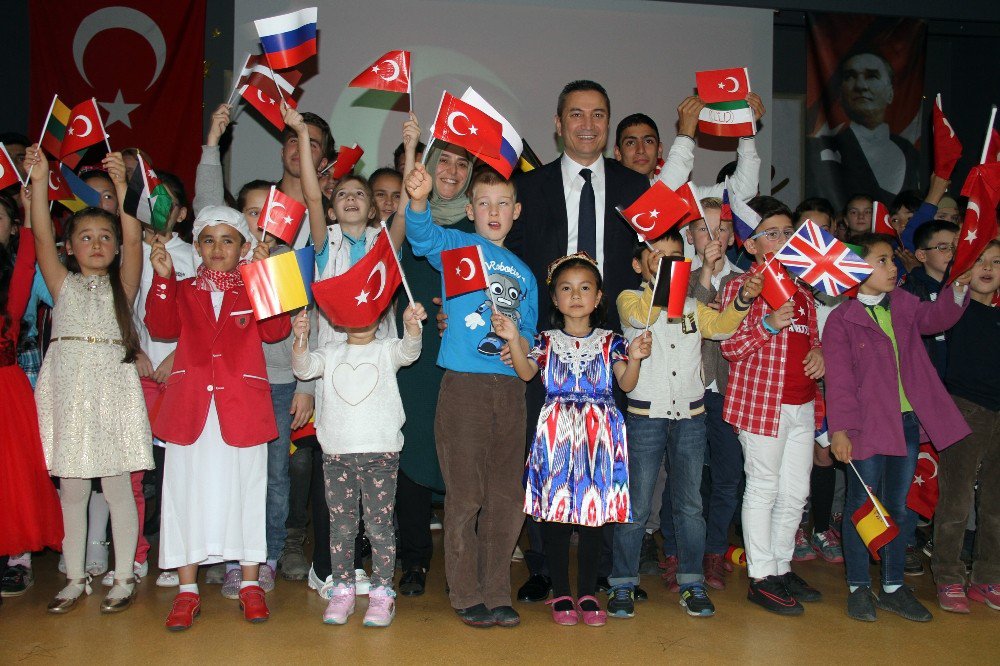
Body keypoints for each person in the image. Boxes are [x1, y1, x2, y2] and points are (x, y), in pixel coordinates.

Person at [508, 79, 648, 602]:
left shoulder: (636, 190)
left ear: (607, 124)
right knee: (543, 456)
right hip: (546, 347)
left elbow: (658, 260)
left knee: (607, 458)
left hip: (612, 346)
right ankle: (543, 568)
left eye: (597, 115)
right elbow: (508, 263)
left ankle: (604, 574)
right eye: (576, 114)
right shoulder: (530, 188)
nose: (587, 124)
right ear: (558, 122)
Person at [405, 163, 538, 628]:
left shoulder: (525, 274)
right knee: (466, 495)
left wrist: (518, 348)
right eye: (483, 203)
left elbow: (532, 343)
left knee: (506, 495)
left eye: (503, 203)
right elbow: (421, 238)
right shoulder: (459, 245)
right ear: (469, 209)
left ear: (516, 211)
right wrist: (418, 201)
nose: (493, 211)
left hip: (511, 392)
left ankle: (496, 588)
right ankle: (464, 591)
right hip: (463, 386)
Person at [146, 205, 290, 631]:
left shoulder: (253, 286)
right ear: (196, 246)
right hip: (190, 407)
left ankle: (250, 583)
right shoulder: (184, 288)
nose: (217, 248)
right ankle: (187, 591)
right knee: (182, 494)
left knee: (248, 492)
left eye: (228, 240)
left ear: (244, 246)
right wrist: (161, 278)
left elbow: (276, 332)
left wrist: (267, 278)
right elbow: (160, 327)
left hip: (240, 409)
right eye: (208, 240)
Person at [609, 228, 762, 619]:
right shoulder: (630, 299)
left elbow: (724, 326)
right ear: (637, 264)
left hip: (691, 417)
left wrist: (743, 298)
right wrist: (665, 285)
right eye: (657, 256)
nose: (666, 263)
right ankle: (623, 583)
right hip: (645, 416)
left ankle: (692, 581)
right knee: (638, 503)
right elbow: (643, 315)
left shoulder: (693, 306)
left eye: (675, 257)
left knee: (690, 504)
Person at [26, 148, 153, 614]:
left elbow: (136, 243)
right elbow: (40, 236)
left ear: (116, 247)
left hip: (113, 394)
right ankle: (75, 576)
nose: (96, 244)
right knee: (74, 491)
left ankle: (123, 577)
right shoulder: (61, 283)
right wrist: (40, 181)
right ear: (71, 247)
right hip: (70, 395)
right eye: (85, 237)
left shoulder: (123, 285)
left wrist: (124, 191)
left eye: (105, 237)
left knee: (118, 488)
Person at [824, 232, 971, 622]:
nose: (894, 268)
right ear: (856, 268)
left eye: (893, 260)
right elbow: (837, 381)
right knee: (862, 507)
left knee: (900, 509)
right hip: (864, 428)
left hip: (905, 425)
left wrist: (958, 287)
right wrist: (840, 430)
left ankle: (892, 586)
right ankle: (858, 586)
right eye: (883, 260)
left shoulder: (904, 304)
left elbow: (936, 317)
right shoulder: (843, 319)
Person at [496, 253, 648, 626]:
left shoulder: (611, 341)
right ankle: (562, 591)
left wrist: (638, 358)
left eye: (584, 288)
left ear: (598, 298)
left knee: (595, 518)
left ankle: (588, 594)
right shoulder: (545, 341)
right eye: (566, 288)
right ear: (554, 298)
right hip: (558, 435)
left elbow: (626, 384)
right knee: (558, 516)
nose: (576, 295)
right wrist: (515, 337)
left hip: (600, 436)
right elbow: (526, 372)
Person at [719, 196, 825, 615]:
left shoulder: (802, 288)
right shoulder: (739, 287)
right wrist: (766, 324)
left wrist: (819, 353)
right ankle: (761, 575)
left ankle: (781, 565)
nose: (783, 239)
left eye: (788, 232)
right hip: (761, 405)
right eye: (773, 233)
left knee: (796, 491)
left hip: (801, 405)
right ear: (751, 244)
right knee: (763, 488)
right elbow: (727, 345)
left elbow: (811, 337)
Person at [291, 299, 426, 626]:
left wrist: (412, 326)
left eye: (368, 314)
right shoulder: (331, 352)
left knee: (379, 526)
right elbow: (304, 368)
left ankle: (381, 593)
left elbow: (410, 351)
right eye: (352, 314)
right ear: (339, 320)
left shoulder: (386, 349)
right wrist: (300, 338)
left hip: (380, 454)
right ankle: (343, 590)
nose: (361, 322)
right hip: (337, 455)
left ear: (379, 317)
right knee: (341, 528)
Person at [0, 199, 63, 600]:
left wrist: (31, 207)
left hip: (7, 388)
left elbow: (28, 262)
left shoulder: (18, 271)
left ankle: (15, 556)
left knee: (13, 475)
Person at [932, 241, 1000, 612]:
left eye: (996, 262)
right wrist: (957, 286)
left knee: (995, 502)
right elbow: (945, 303)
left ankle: (989, 576)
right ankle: (948, 576)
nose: (987, 268)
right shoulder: (956, 309)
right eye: (979, 262)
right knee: (956, 498)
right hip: (964, 408)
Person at [806, 51, 920, 211]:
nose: (860, 86)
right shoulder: (820, 149)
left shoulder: (908, 151)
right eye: (850, 77)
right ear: (840, 94)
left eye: (872, 76)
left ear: (890, 93)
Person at [615, 95, 764, 200]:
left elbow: (743, 191)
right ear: (617, 153)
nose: (640, 149)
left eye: (648, 141)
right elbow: (661, 193)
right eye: (630, 143)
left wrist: (746, 133)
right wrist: (686, 132)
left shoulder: (682, 196)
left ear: (659, 150)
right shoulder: (608, 192)